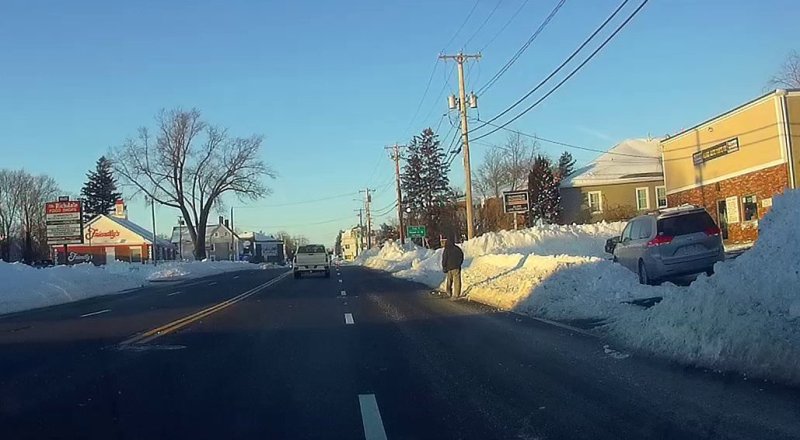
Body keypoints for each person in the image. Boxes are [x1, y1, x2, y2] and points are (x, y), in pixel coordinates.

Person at [441, 235, 464, 299]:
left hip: (449, 268)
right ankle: (456, 294)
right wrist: (459, 264)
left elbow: (444, 259)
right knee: (457, 281)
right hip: (456, 267)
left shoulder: (446, 249)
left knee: (449, 281)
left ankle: (449, 293)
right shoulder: (457, 249)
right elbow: (461, 256)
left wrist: (444, 267)